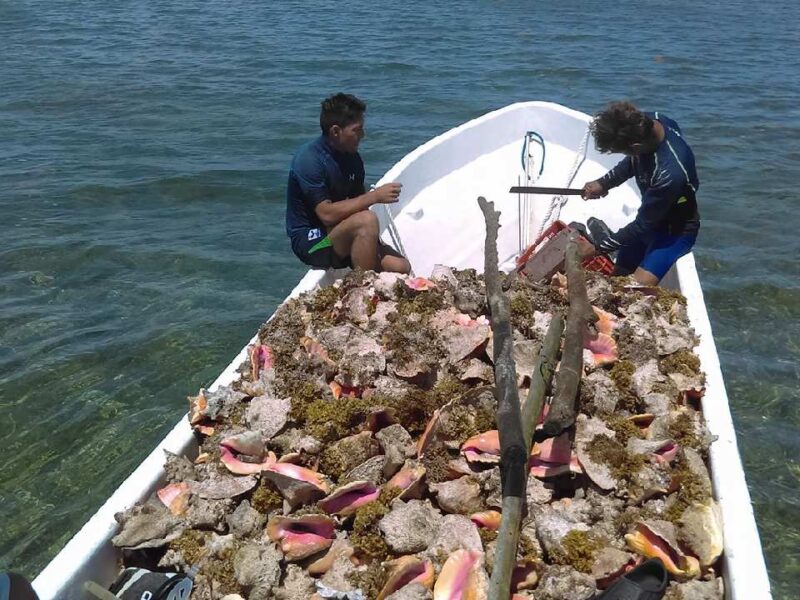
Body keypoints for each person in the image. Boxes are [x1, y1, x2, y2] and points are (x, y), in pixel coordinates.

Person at [285, 93, 411, 274]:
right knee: (366, 221)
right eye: (357, 130)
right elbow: (326, 214)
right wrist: (375, 196)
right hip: (313, 242)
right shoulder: (309, 160)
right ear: (335, 131)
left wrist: (373, 244)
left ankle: (362, 266)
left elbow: (358, 204)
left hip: (341, 232)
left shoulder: (353, 159)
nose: (363, 135)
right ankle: (362, 291)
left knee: (400, 267)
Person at [581, 101, 700, 285]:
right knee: (618, 278)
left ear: (635, 147)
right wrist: (604, 183)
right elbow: (635, 160)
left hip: (673, 234)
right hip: (649, 222)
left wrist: (597, 248)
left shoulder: (670, 174)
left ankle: (609, 241)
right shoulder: (649, 122)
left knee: (633, 290)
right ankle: (613, 243)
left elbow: (642, 224)